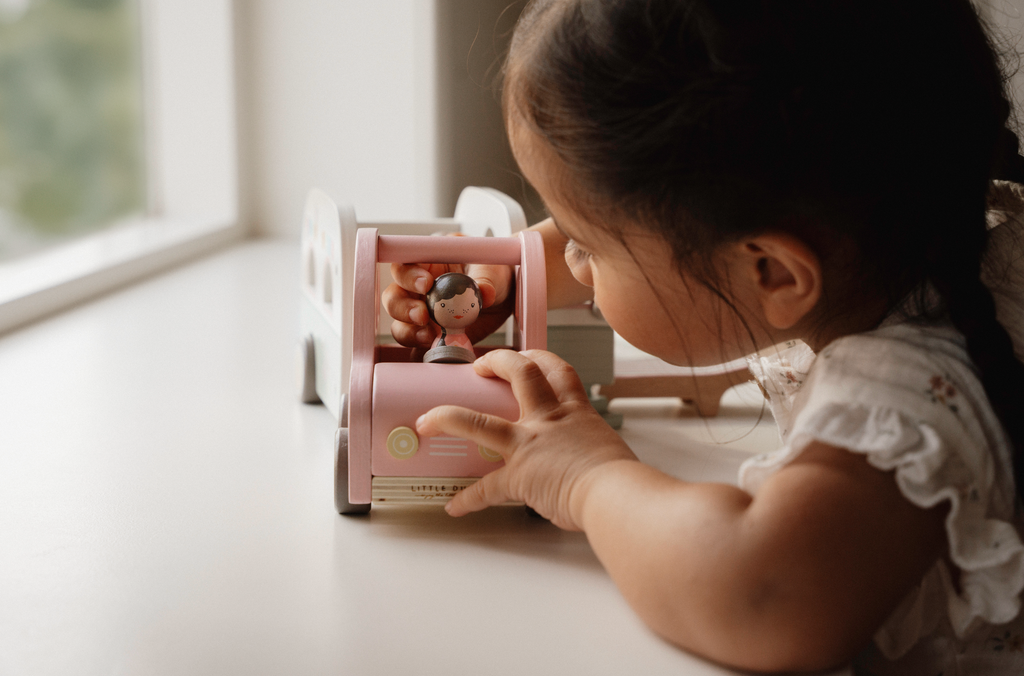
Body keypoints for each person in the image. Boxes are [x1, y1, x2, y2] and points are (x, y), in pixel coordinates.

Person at [382, 0, 1024, 672]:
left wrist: (587, 478)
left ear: (771, 270)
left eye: (583, 243)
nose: (567, 259)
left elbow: (763, 598)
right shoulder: (909, 229)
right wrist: (503, 277)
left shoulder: (903, 400)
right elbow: (660, 237)